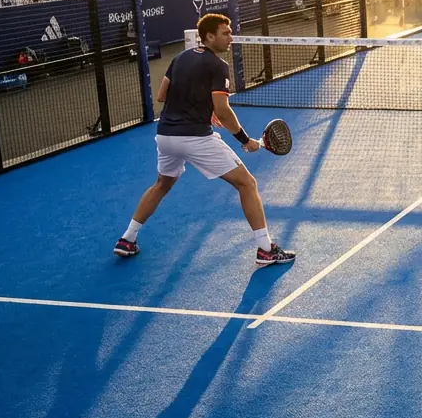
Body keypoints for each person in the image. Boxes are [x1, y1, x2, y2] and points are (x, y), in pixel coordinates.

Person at [113, 13, 295, 265]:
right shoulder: (218, 66)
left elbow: (162, 95)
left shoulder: (179, 57)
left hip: (165, 136)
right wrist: (244, 140)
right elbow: (223, 110)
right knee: (247, 184)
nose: (230, 37)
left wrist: (201, 108)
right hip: (194, 138)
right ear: (209, 36)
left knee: (161, 185)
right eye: (225, 33)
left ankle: (127, 238)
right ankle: (265, 249)